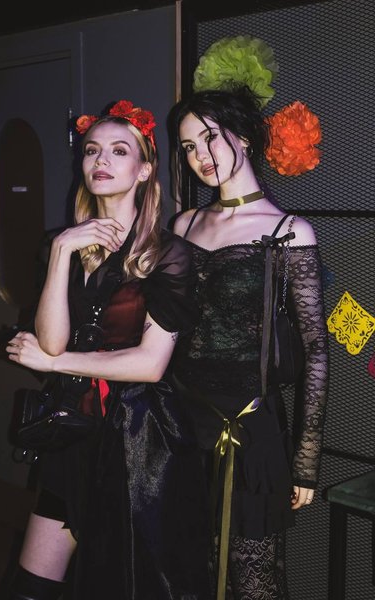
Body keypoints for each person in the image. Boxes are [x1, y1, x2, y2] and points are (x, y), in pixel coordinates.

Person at [5, 99, 211, 600]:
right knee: (29, 588)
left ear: (144, 170)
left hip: (139, 444)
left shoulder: (169, 254)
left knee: (126, 586)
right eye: (91, 150)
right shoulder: (62, 244)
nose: (101, 160)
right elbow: (51, 338)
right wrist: (62, 251)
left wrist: (52, 362)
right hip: (72, 434)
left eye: (119, 151)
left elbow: (150, 364)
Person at [167, 86, 329, 600]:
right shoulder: (184, 225)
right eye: (188, 146)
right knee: (191, 570)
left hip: (250, 427)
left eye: (209, 138)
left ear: (242, 136)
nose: (200, 156)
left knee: (255, 582)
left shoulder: (290, 231)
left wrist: (305, 460)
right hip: (182, 423)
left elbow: (316, 352)